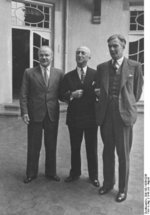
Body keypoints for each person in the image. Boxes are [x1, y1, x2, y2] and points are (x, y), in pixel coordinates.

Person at [95, 34, 143, 202]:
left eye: (115, 46)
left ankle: (122, 189)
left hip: (124, 118)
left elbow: (136, 93)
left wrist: (125, 105)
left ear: (123, 46)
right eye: (110, 47)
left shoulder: (134, 66)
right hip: (106, 117)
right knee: (107, 152)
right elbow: (99, 90)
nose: (113, 49)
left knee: (123, 155)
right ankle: (108, 184)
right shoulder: (101, 68)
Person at [20, 46, 63, 183]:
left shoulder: (59, 73)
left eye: (47, 55)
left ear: (52, 57)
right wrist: (25, 112)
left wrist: (72, 96)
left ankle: (51, 172)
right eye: (41, 55)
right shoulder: (29, 72)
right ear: (38, 57)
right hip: (35, 114)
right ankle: (31, 173)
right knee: (34, 145)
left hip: (52, 114)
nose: (44, 58)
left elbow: (62, 93)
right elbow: (23, 94)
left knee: (51, 145)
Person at [60, 46, 99, 187]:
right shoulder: (68, 76)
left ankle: (94, 176)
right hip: (74, 118)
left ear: (89, 57)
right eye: (78, 53)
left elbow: (100, 93)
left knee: (91, 147)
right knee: (75, 147)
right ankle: (75, 173)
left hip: (91, 118)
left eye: (83, 53)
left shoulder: (96, 74)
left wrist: (99, 95)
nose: (80, 55)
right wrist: (71, 95)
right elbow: (60, 94)